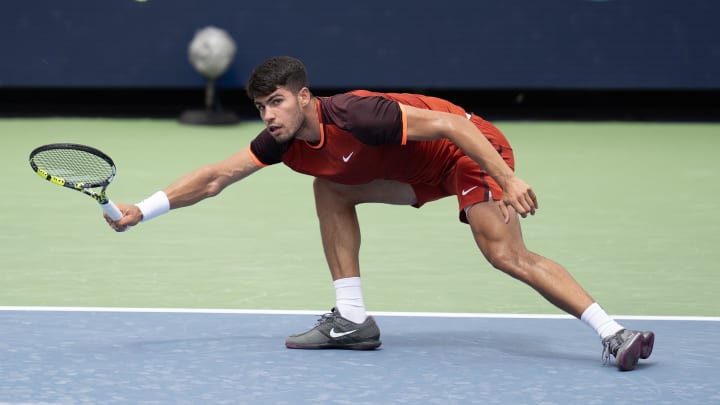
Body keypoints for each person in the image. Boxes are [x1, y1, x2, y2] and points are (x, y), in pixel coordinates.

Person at [107, 55, 654, 371]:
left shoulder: (358, 115)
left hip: (466, 152)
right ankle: (353, 320)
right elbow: (215, 177)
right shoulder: (284, 143)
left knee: (503, 253)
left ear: (304, 97)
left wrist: (507, 179)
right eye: (260, 107)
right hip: (416, 173)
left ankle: (615, 333)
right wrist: (143, 209)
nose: (268, 115)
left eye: (276, 102)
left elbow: (456, 127)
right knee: (330, 188)